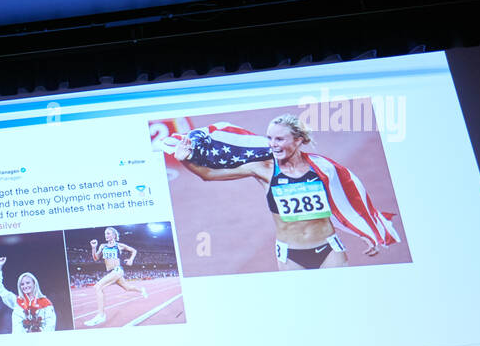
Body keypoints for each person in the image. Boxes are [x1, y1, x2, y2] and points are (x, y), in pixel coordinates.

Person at [171, 115, 400, 270]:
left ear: (298, 140)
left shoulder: (323, 169)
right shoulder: (264, 170)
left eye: (280, 138)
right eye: (270, 138)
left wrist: (368, 232)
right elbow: (208, 175)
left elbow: (349, 201)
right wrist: (185, 161)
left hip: (329, 248)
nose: (273, 144)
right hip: (291, 254)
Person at [83, 227, 147, 326]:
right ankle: (141, 290)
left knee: (98, 286)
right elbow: (95, 258)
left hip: (118, 270)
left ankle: (101, 315)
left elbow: (134, 250)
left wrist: (131, 260)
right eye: (105, 234)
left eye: (108, 233)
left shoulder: (119, 245)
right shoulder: (103, 246)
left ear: (113, 235)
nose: (106, 235)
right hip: (111, 272)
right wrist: (93, 247)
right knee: (127, 288)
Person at [0, 256, 56, 332]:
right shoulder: (17, 301)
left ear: (34, 283)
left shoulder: (45, 302)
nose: (25, 286)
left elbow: (51, 325)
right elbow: (0, 290)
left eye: (28, 283)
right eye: (22, 284)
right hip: (19, 342)